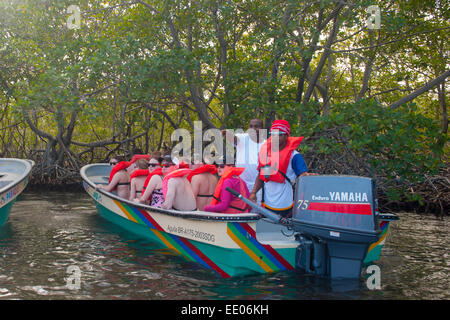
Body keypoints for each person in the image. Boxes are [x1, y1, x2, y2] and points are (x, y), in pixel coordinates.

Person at [249, 119, 314, 218]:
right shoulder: (266, 154)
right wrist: (253, 192)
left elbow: (303, 177)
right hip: (267, 205)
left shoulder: (294, 156)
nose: (275, 137)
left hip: (286, 206)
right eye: (273, 134)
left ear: (286, 136)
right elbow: (261, 175)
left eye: (279, 134)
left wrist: (309, 177)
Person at [223, 119, 265, 206]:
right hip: (241, 183)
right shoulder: (242, 137)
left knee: (255, 211)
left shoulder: (266, 144)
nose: (253, 128)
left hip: (257, 186)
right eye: (251, 126)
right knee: (239, 209)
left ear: (262, 128)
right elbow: (234, 139)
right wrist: (227, 134)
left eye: (256, 126)